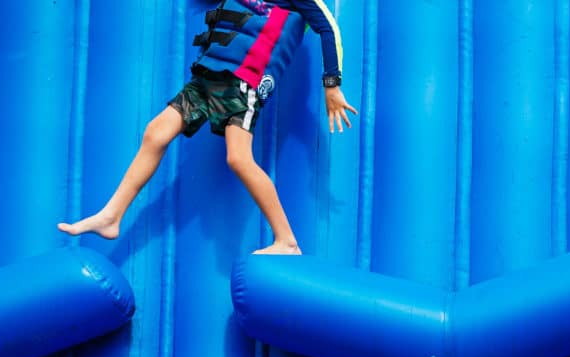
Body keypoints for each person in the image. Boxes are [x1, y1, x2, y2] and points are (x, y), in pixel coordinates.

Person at [57, 0, 358, 255]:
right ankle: (111, 216)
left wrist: (331, 86)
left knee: (238, 158)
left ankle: (287, 241)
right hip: (210, 75)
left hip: (244, 83)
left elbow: (328, 28)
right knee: (155, 132)